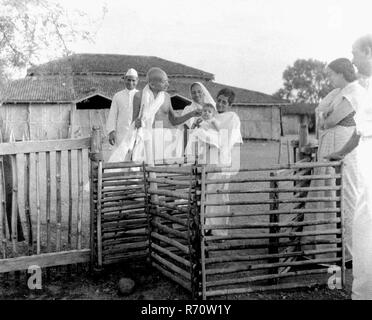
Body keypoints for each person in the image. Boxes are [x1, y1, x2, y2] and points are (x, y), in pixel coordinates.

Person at [326, 35, 372, 300]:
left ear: (368, 52)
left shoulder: (360, 90)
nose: (352, 59)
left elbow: (331, 120)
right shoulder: (366, 87)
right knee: (361, 223)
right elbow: (359, 132)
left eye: (355, 53)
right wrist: (339, 153)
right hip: (360, 153)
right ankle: (362, 292)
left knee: (360, 216)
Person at [306, 58, 362, 262]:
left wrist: (325, 116)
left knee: (343, 192)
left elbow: (329, 120)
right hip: (331, 141)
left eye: (331, 74)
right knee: (327, 190)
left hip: (342, 144)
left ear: (341, 73)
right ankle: (324, 249)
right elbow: (321, 118)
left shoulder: (354, 92)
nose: (329, 78)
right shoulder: (338, 93)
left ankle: (345, 254)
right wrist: (324, 116)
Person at [186, 88, 243, 236]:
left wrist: (221, 148)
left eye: (224, 102)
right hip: (209, 158)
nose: (220, 104)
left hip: (223, 159)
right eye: (219, 100)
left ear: (229, 104)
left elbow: (230, 139)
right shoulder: (212, 115)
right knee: (208, 193)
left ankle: (220, 230)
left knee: (221, 194)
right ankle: (207, 225)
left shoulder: (233, 117)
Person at [130, 67, 201, 164]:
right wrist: (136, 122)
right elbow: (133, 122)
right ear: (152, 84)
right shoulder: (139, 96)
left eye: (167, 81)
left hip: (165, 138)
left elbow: (174, 120)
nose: (167, 84)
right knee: (146, 169)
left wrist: (191, 114)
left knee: (164, 171)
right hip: (147, 137)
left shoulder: (166, 97)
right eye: (164, 82)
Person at [106, 68, 139, 162]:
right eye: (129, 80)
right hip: (121, 133)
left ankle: (135, 177)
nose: (131, 82)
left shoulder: (140, 95)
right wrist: (111, 131)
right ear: (124, 79)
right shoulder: (118, 96)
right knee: (119, 158)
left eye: (133, 80)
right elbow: (113, 114)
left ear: (137, 81)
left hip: (135, 133)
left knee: (135, 158)